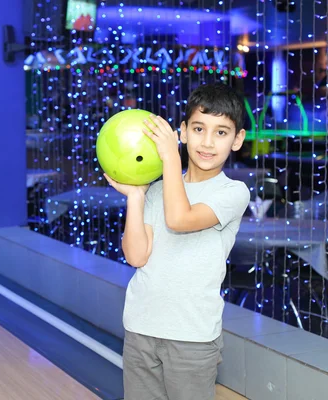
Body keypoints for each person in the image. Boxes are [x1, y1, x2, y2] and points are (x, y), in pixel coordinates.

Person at [104, 82, 250, 400]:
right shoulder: (157, 190)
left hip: (192, 336)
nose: (207, 142)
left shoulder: (233, 193)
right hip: (141, 326)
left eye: (221, 132)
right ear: (182, 131)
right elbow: (136, 255)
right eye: (198, 128)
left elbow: (180, 219)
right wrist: (135, 197)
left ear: (237, 140)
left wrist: (170, 158)